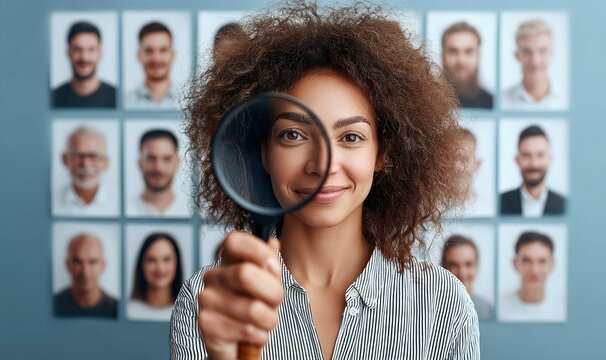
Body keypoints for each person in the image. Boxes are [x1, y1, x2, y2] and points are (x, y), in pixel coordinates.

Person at [170, 3, 479, 359]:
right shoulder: (207, 300)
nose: (323, 166)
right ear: (262, 153)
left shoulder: (443, 305)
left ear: (384, 153)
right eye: (293, 135)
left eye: (350, 137)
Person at [498, 231, 564, 322]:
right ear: (515, 264)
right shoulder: (500, 310)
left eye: (542, 261)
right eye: (526, 261)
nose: (534, 270)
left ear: (552, 264)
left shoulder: (562, 309)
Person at [53, 125, 118, 217]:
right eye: (78, 156)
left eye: (93, 156)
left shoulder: (120, 202)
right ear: (65, 159)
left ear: (105, 162)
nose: (85, 164)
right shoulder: (49, 201)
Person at [500, 124, 565, 216]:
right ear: (517, 160)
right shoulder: (498, 203)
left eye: (540, 155)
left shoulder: (565, 205)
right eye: (526, 155)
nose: (534, 164)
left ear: (550, 159)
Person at [52, 21, 116, 108]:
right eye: (77, 49)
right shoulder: (52, 98)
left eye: (91, 49)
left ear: (100, 54)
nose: (84, 57)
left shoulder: (116, 98)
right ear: (68, 53)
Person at [502, 19, 563, 110]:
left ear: (552, 53)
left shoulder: (568, 99)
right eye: (527, 52)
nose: (535, 61)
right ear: (517, 55)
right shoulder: (500, 102)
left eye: (542, 51)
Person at [54, 233, 118, 318]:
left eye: (92, 262)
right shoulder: (51, 306)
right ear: (67, 265)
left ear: (103, 265)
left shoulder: (117, 309)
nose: (85, 272)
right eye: (78, 262)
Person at [128, 129, 188, 217]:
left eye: (167, 159)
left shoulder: (190, 213)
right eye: (151, 158)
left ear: (177, 163)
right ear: (140, 163)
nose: (158, 168)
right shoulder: (126, 211)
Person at [128, 232, 184, 321]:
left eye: (166, 259)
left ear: (177, 264)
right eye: (151, 260)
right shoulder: (128, 311)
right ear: (142, 265)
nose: (160, 268)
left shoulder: (190, 313)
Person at [125, 22, 178, 109]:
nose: (156, 58)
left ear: (173, 55)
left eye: (163, 50)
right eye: (149, 51)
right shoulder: (125, 102)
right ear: (139, 55)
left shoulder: (190, 102)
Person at [441, 21, 493, 109]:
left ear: (478, 56)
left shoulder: (491, 103)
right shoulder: (425, 100)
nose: (461, 61)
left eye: (468, 52)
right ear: (442, 55)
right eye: (453, 51)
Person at [441, 234, 493, 320]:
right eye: (453, 265)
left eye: (468, 264)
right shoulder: (430, 309)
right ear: (443, 267)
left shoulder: (489, 311)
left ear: (476, 267)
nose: (462, 273)